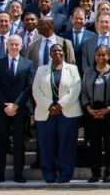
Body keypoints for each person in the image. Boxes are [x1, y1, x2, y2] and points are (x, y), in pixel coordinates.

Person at [31, 42, 81, 184]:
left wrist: (60, 105)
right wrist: (49, 106)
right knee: (46, 145)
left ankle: (65, 174)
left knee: (67, 144)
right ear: (50, 54)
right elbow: (36, 90)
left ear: (64, 53)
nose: (57, 53)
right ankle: (49, 175)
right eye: (54, 51)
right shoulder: (41, 70)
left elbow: (76, 89)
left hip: (68, 112)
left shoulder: (72, 69)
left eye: (59, 51)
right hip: (46, 112)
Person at [0, 34, 34, 184]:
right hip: (2, 110)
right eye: (11, 44)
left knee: (18, 143)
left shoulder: (28, 64)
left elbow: (29, 87)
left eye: (17, 44)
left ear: (22, 46)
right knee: (0, 142)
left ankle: (18, 174)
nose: (14, 47)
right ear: (7, 46)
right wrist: (6, 105)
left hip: (20, 110)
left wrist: (16, 105)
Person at [82, 44, 110, 183]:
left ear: (109, 56)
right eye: (98, 55)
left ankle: (108, 172)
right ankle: (95, 172)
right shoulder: (88, 71)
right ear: (94, 56)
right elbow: (84, 91)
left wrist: (109, 108)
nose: (101, 57)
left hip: (109, 111)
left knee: (109, 143)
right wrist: (89, 109)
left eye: (104, 55)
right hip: (92, 111)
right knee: (95, 143)